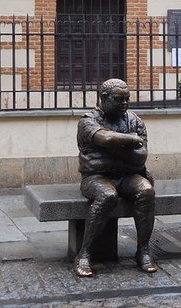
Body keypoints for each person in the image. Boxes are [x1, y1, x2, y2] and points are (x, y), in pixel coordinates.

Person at [74, 78, 158, 277]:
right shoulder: (88, 120)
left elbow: (140, 158)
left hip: (128, 175)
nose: (125, 104)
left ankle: (143, 251)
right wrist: (131, 141)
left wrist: (111, 150)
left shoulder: (134, 120)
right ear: (104, 98)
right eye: (119, 100)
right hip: (96, 177)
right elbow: (104, 138)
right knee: (107, 195)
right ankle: (84, 254)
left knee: (146, 190)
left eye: (127, 99)